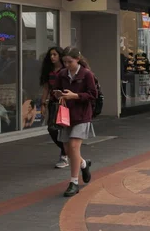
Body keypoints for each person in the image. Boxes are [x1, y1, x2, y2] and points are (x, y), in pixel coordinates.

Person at [53, 47, 97, 197]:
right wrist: (58, 94)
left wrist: (75, 96)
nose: (66, 65)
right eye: (64, 62)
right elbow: (56, 89)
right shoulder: (62, 74)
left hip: (82, 115)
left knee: (73, 146)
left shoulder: (87, 74)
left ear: (77, 59)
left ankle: (74, 182)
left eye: (69, 62)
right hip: (66, 115)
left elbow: (93, 94)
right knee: (68, 150)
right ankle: (84, 164)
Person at [40, 46, 67, 168]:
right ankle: (67, 150)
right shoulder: (49, 71)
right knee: (52, 128)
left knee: (64, 129)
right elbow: (46, 88)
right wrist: (43, 104)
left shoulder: (65, 70)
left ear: (60, 56)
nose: (52, 57)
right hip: (52, 103)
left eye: (55, 54)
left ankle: (64, 155)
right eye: (51, 55)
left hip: (65, 103)